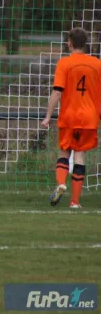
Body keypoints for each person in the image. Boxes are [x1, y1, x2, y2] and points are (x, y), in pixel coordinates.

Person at [41, 27, 101, 209]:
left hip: (69, 116)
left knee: (64, 152)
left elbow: (57, 92)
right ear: (85, 44)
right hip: (90, 117)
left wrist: (47, 116)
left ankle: (61, 183)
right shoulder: (97, 64)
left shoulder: (64, 64)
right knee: (80, 156)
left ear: (70, 43)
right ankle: (75, 201)